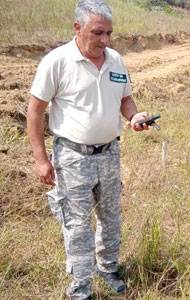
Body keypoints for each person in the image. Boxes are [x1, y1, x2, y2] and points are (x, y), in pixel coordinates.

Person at [26, 1, 149, 299]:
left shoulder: (116, 60)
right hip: (72, 157)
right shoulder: (57, 61)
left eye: (109, 33)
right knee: (77, 225)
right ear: (78, 28)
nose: (104, 40)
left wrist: (134, 117)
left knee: (111, 217)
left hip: (109, 154)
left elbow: (125, 99)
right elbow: (34, 111)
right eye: (97, 32)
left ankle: (107, 268)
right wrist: (41, 159)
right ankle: (81, 289)